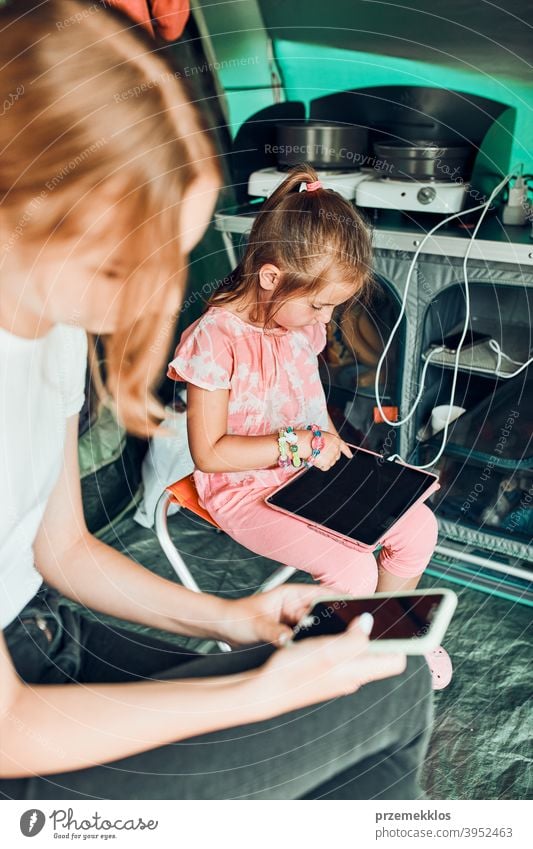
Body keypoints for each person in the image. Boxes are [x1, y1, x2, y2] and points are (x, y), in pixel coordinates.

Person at [0, 0, 433, 800]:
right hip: (19, 734)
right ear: (31, 211)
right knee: (385, 700)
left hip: (48, 631)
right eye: (121, 264)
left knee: (378, 676)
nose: (147, 299)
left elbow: (58, 551)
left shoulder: (52, 331)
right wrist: (247, 693)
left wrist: (235, 617)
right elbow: (8, 726)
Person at [168, 167, 452, 689]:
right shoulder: (214, 339)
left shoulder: (299, 324)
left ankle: (387, 637)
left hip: (306, 468)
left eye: (332, 308)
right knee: (353, 570)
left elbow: (310, 398)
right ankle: (347, 661)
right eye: (319, 305)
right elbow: (209, 454)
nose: (324, 321)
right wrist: (294, 445)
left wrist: (330, 443)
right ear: (271, 277)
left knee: (418, 528)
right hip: (241, 489)